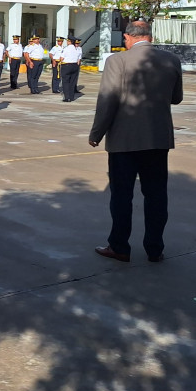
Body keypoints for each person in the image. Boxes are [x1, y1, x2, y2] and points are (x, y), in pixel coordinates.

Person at [89, 19, 183, 263]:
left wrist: (96, 133)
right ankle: (155, 249)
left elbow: (108, 100)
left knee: (121, 195)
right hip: (158, 139)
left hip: (124, 140)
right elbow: (177, 98)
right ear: (149, 37)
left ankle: (119, 246)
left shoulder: (117, 60)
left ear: (128, 38)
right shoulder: (171, 60)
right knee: (156, 195)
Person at [60, 37, 83, 102]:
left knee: (65, 81)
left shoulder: (66, 49)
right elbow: (79, 58)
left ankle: (67, 97)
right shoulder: (77, 49)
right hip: (75, 65)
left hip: (67, 66)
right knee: (72, 82)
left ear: (69, 42)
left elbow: (61, 58)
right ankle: (72, 97)